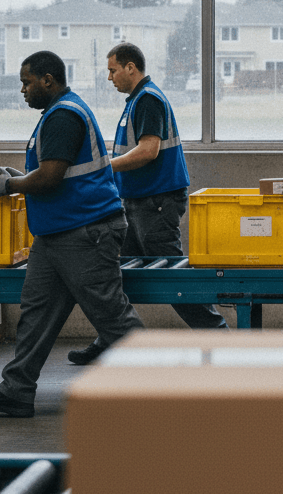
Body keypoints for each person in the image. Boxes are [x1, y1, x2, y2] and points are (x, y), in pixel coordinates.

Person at [0, 51, 143, 417]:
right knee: (36, 312)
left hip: (85, 233)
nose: (23, 90)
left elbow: (50, 177)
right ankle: (17, 390)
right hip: (57, 234)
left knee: (110, 314)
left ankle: (169, 389)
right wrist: (16, 175)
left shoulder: (64, 115)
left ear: (48, 80)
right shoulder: (59, 112)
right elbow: (52, 170)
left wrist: (9, 185)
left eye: (27, 82)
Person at [66, 44, 227, 366]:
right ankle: (110, 337)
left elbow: (148, 150)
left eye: (112, 70)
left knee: (172, 278)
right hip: (137, 203)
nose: (109, 77)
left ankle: (219, 337)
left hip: (155, 203)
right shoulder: (137, 101)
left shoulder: (148, 99)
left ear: (130, 67)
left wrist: (105, 166)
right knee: (115, 276)